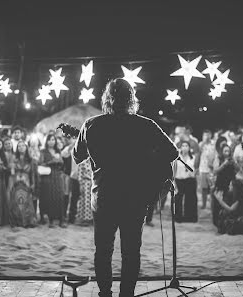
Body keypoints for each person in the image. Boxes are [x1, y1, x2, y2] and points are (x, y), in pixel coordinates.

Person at [72, 78, 178, 297]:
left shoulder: (91, 124)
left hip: (103, 198)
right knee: (131, 252)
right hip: (135, 198)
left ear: (107, 99)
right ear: (131, 99)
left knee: (103, 251)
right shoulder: (146, 125)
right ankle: (126, 294)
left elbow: (77, 156)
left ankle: (105, 294)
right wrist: (149, 159)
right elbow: (172, 152)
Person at [8, 140, 38, 227]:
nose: (21, 147)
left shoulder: (31, 160)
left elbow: (32, 173)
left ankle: (28, 221)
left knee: (27, 202)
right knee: (17, 202)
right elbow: (12, 172)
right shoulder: (14, 159)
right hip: (16, 181)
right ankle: (17, 221)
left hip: (27, 181)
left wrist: (33, 183)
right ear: (17, 148)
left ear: (26, 147)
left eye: (23, 146)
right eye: (19, 146)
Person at [39, 134, 66, 228]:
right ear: (46, 141)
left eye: (53, 140)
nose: (52, 141)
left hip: (57, 176)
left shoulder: (58, 151)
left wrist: (60, 161)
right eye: (50, 140)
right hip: (47, 176)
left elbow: (62, 163)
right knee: (50, 197)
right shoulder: (43, 151)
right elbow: (40, 164)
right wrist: (51, 162)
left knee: (59, 197)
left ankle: (61, 219)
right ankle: (51, 220)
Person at [173, 141, 197, 222]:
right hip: (179, 180)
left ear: (189, 148)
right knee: (178, 199)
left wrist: (193, 174)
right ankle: (178, 217)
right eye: (183, 146)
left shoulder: (192, 157)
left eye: (186, 146)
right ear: (180, 148)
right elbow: (173, 170)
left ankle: (189, 217)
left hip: (189, 180)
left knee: (190, 199)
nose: (185, 147)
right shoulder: (177, 158)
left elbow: (195, 170)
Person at [198, 129, 216, 209]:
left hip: (211, 170)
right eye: (205, 135)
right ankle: (204, 204)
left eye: (208, 135)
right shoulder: (201, 144)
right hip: (203, 169)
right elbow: (198, 154)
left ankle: (212, 204)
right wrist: (203, 143)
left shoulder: (214, 144)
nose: (206, 137)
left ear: (210, 135)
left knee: (212, 188)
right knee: (204, 188)